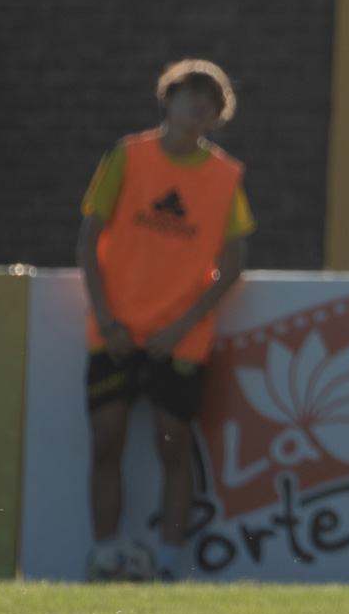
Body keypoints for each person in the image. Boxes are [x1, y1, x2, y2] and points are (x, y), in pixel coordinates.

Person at [79, 60, 253, 581]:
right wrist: (106, 318)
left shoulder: (226, 176)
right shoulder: (126, 157)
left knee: (174, 446)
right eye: (191, 93)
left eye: (212, 100)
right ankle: (105, 554)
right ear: (167, 99)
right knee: (106, 440)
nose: (200, 104)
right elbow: (89, 240)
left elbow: (234, 264)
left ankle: (170, 564)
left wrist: (182, 325)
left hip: (181, 338)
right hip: (115, 331)